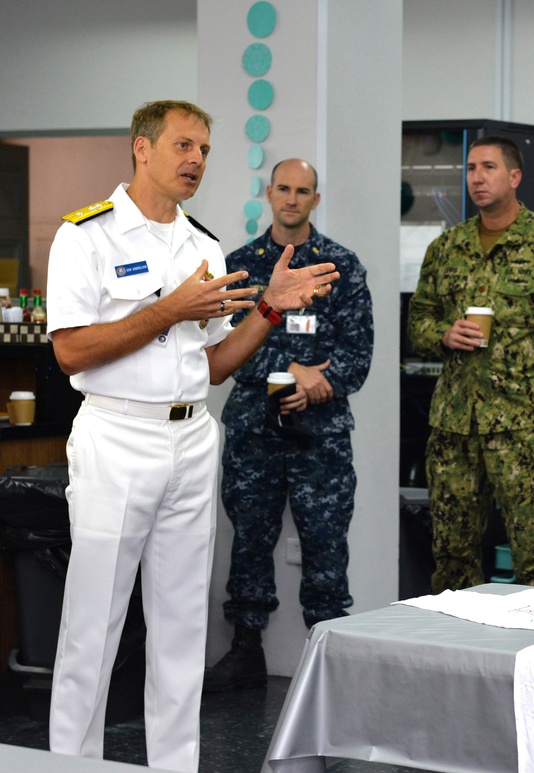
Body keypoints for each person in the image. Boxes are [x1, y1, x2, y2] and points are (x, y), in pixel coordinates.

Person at [44, 101, 339, 772]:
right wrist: (168, 310)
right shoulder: (86, 236)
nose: (196, 160)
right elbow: (70, 351)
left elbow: (211, 365)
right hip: (118, 435)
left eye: (204, 149)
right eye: (183, 145)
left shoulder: (203, 245)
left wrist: (268, 310)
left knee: (182, 627)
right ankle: (69, 764)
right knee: (93, 626)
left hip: (191, 438)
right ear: (142, 148)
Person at [407, 135, 534, 592]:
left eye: (489, 167)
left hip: (525, 427)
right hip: (454, 426)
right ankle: (457, 637)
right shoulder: (447, 247)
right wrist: (443, 333)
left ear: (515, 176)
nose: (477, 178)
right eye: (470, 169)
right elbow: (417, 321)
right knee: (451, 560)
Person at [203, 159, 373, 692]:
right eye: (284, 188)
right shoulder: (238, 266)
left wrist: (320, 381)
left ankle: (330, 658)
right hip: (255, 431)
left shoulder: (340, 267)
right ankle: (245, 651)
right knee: (249, 540)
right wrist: (291, 370)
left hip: (321, 434)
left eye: (303, 191)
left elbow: (358, 354)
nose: (293, 198)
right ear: (270, 193)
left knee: (326, 543)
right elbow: (223, 348)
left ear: (315, 199)